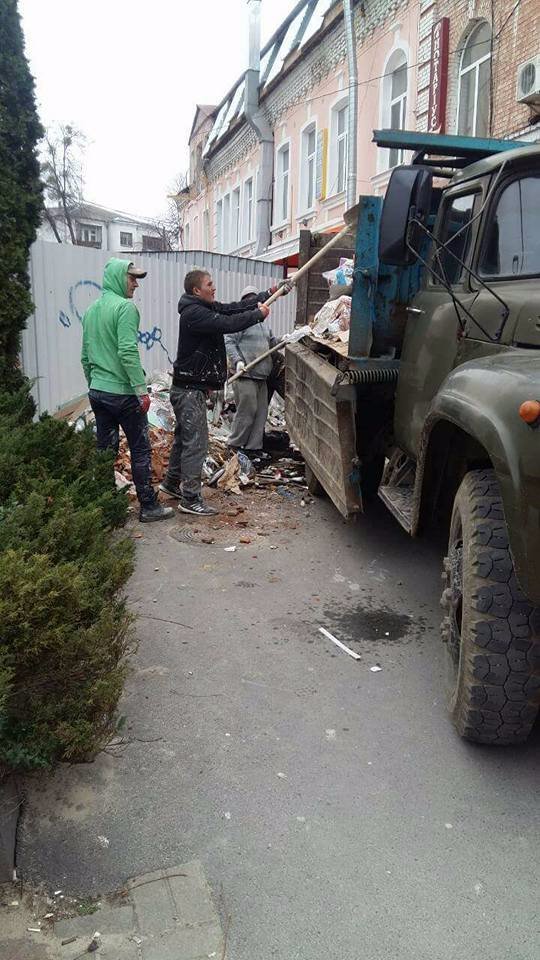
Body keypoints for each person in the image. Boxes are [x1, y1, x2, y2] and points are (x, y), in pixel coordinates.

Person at [160, 270, 275, 516]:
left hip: (191, 388)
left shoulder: (203, 307)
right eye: (209, 284)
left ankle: (171, 484)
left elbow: (232, 309)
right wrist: (257, 315)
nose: (214, 288)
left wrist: (267, 295)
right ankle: (190, 498)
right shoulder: (194, 314)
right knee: (196, 444)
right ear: (196, 291)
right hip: (189, 391)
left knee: (184, 439)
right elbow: (227, 323)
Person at [81, 258, 173, 523]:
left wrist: (94, 383)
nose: (135, 284)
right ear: (117, 278)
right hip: (124, 394)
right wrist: (141, 390)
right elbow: (127, 351)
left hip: (99, 392)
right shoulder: (125, 308)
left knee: (105, 451)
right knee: (140, 450)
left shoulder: (91, 311)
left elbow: (85, 355)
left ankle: (105, 508)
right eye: (131, 278)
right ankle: (148, 506)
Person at [225, 285, 277, 462]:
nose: (252, 302)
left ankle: (254, 448)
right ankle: (234, 445)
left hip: (262, 376)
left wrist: (283, 341)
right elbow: (229, 341)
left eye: (254, 298)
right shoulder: (241, 321)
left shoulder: (263, 325)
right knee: (247, 411)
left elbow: (272, 343)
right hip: (245, 374)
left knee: (261, 413)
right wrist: (238, 361)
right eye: (248, 298)